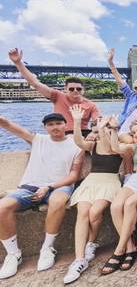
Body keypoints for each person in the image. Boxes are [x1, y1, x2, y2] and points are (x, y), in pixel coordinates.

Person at [0, 114, 83, 279]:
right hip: (29, 187)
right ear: (45, 127)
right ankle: (13, 254)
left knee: (58, 201)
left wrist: (49, 187)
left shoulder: (76, 146)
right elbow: (7, 123)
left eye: (59, 123)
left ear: (66, 124)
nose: (55, 127)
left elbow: (74, 175)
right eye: (50, 124)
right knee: (2, 207)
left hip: (59, 186)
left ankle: (47, 248)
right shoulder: (37, 139)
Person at [63, 107, 123, 284]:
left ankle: (91, 242)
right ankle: (79, 259)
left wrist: (111, 128)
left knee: (95, 212)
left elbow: (115, 147)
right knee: (83, 213)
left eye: (101, 129)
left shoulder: (115, 144)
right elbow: (78, 141)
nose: (98, 133)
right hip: (91, 182)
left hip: (110, 182)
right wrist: (76, 121)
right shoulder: (93, 145)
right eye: (96, 130)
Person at [100, 118, 137, 275]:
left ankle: (119, 250)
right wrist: (114, 129)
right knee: (115, 206)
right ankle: (130, 247)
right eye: (133, 132)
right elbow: (115, 147)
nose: (136, 134)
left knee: (129, 204)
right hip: (134, 178)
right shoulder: (133, 147)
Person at [8, 48, 99, 135]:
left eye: (78, 89)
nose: (75, 91)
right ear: (65, 90)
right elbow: (35, 83)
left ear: (83, 90)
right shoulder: (58, 96)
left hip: (83, 133)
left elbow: (97, 121)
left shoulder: (91, 105)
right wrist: (18, 63)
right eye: (71, 89)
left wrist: (97, 131)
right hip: (63, 134)